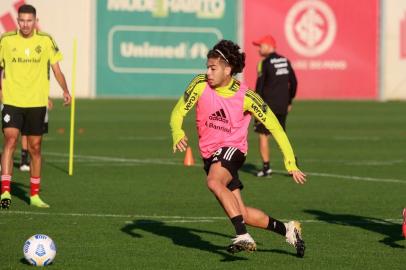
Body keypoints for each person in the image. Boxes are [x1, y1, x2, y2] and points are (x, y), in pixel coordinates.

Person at [170, 40, 307, 257]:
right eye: (207, 67)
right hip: (210, 155)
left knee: (214, 182)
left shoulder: (246, 96)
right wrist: (178, 132)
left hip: (233, 150)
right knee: (242, 212)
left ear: (228, 69)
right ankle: (288, 229)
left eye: (213, 68)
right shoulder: (199, 84)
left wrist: (290, 163)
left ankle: (242, 235)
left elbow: (276, 128)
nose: (208, 72)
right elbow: (178, 112)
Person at [0, 4, 71, 209]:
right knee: (11, 140)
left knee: (35, 148)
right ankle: (5, 191)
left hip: (37, 103)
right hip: (12, 101)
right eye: (21, 20)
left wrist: (65, 90)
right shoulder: (6, 41)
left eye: (29, 20)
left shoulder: (46, 40)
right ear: (18, 20)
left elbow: (57, 70)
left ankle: (34, 195)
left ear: (35, 21)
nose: (25, 24)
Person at [252, 35, 298, 177]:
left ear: (269, 46)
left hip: (267, 106)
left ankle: (266, 168)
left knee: (263, 136)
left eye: (261, 46)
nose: (259, 49)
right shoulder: (285, 61)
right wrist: (289, 100)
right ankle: (292, 163)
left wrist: (255, 106)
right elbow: (294, 82)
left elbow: (259, 88)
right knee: (280, 134)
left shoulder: (264, 63)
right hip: (282, 105)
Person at [19, 98, 53, 172]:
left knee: (34, 133)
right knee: (24, 132)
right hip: (29, 102)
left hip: (38, 101)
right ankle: (24, 162)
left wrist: (46, 97)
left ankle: (27, 161)